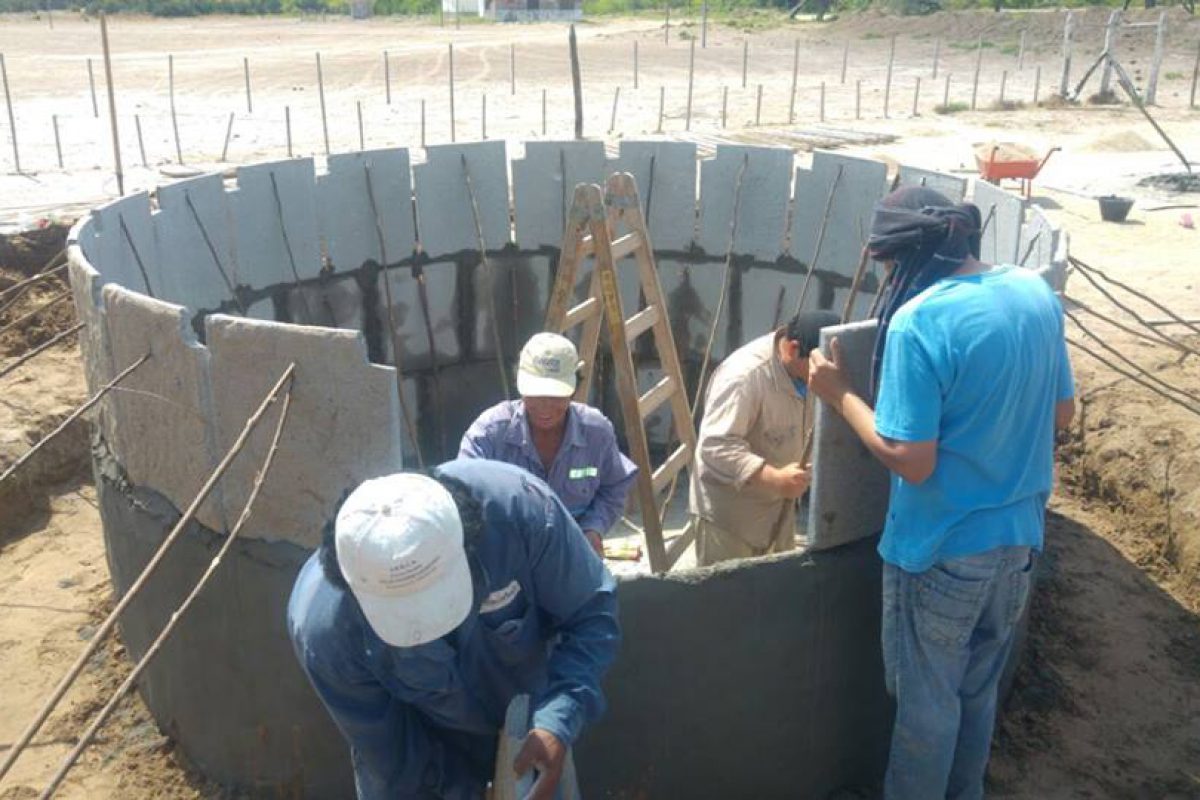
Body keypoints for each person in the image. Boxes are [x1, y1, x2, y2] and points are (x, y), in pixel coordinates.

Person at [805, 186, 1075, 800]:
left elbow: (911, 459)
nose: (889, 276)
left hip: (941, 554)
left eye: (889, 263)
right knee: (977, 692)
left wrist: (839, 393)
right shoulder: (1033, 294)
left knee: (926, 709)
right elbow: (1061, 416)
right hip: (1018, 542)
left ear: (910, 258)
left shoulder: (921, 321)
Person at [287, 459, 620, 800]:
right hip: (418, 753)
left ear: (468, 540)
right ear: (355, 593)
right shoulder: (326, 632)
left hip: (530, 725)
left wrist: (558, 718)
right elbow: (395, 759)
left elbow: (590, 615)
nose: (428, 629)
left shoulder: (522, 516)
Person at [459, 332, 637, 557]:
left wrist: (594, 528)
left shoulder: (597, 432)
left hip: (574, 554)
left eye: (556, 396)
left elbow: (614, 486)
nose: (544, 406)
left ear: (574, 389)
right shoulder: (488, 433)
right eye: (535, 394)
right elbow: (462, 495)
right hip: (508, 556)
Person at [688, 309, 842, 566]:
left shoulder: (804, 368)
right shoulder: (744, 377)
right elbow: (715, 447)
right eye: (818, 365)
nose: (823, 372)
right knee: (727, 599)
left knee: (772, 597)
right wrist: (775, 478)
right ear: (793, 349)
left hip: (778, 508)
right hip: (731, 520)